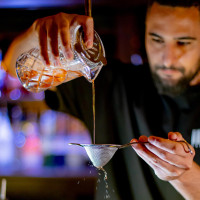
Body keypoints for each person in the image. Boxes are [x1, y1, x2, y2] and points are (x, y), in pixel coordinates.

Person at [2, 0, 200, 199]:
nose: (167, 58)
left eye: (183, 42)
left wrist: (184, 175)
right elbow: (13, 68)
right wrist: (36, 34)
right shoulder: (114, 85)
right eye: (157, 39)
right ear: (144, 33)